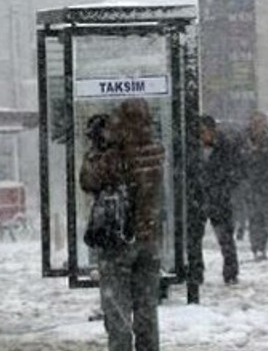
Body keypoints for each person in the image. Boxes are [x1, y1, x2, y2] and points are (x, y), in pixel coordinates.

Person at [80, 99, 166, 351]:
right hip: (148, 238)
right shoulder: (154, 149)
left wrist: (96, 147)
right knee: (146, 309)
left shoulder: (116, 154)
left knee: (117, 311)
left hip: (119, 239)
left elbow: (89, 180)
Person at [194, 115, 245, 285]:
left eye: (204, 131)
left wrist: (223, 187)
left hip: (219, 198)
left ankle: (230, 273)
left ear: (212, 130)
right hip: (198, 197)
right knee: (194, 237)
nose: (202, 135)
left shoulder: (226, 147)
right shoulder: (192, 149)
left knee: (225, 237)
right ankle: (196, 272)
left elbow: (236, 170)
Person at [244, 112, 268, 260]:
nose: (257, 125)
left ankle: (262, 246)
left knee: (266, 217)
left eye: (260, 122)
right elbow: (240, 158)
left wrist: (263, 153)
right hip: (251, 183)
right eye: (255, 122)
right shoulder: (245, 139)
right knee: (254, 217)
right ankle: (255, 247)